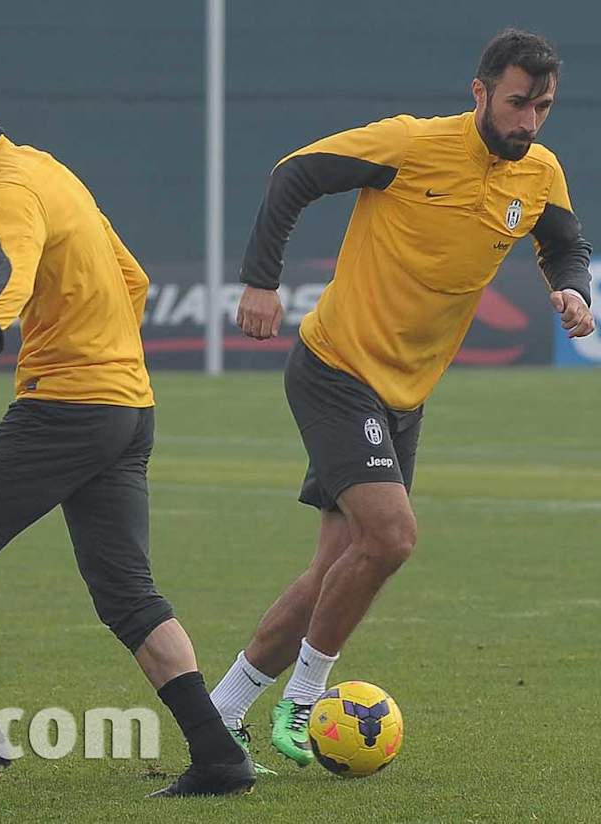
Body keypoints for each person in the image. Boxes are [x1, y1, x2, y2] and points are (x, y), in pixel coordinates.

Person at [209, 28, 594, 768]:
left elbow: (563, 241)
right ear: (480, 91)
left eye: (542, 106)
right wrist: (260, 280)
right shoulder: (410, 145)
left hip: (405, 393)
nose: (529, 122)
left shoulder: (538, 170)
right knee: (390, 538)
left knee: (341, 565)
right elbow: (295, 173)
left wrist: (572, 288)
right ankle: (305, 701)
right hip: (336, 368)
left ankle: (222, 709)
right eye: (517, 103)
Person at [0, 70, 256, 806]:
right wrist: (103, 347)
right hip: (126, 405)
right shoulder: (46, 166)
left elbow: (10, 269)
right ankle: (218, 753)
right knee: (127, 592)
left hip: (70, 404)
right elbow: (133, 277)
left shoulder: (6, 187)